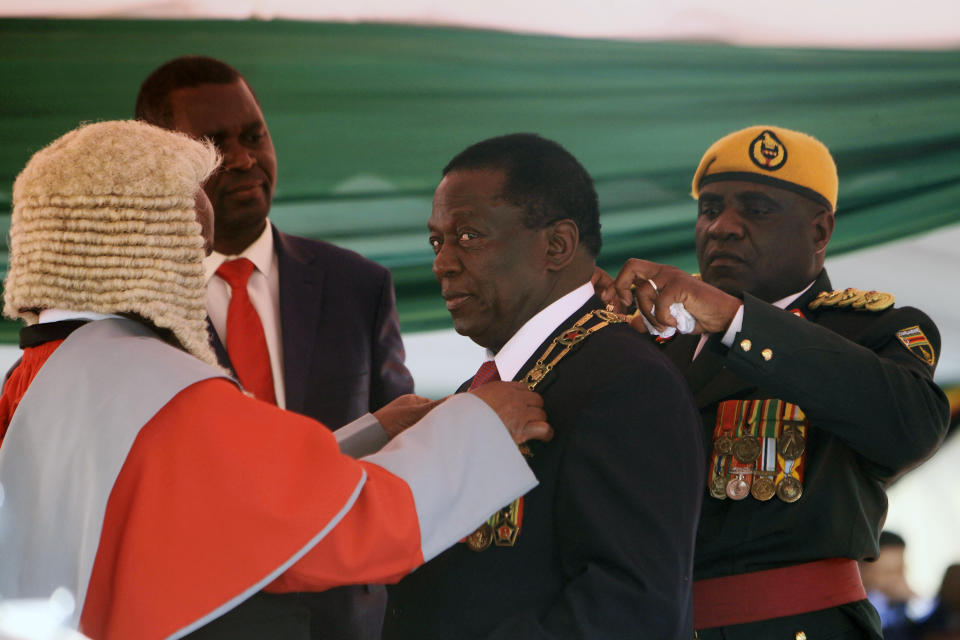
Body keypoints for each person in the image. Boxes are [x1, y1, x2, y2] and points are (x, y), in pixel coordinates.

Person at [0, 120, 551, 640]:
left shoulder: (36, 379)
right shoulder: (156, 386)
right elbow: (344, 528)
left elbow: (220, 502)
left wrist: (373, 432)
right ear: (143, 252)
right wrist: (482, 427)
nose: (199, 272)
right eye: (192, 251)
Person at [599, 125, 951, 639]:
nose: (722, 226)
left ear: (820, 231)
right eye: (710, 208)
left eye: (756, 209)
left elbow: (912, 427)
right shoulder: (651, 345)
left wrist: (737, 319)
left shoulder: (874, 331)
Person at [134, 55, 415, 638]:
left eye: (254, 135)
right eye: (214, 144)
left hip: (345, 613)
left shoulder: (357, 286)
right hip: (201, 613)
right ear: (161, 163)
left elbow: (402, 451)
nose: (243, 159)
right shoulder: (135, 310)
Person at [383, 133, 704, 639]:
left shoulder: (624, 379)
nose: (442, 262)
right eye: (436, 240)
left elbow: (630, 607)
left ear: (556, 245)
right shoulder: (485, 386)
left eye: (468, 236)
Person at [861, 531, 922, 640]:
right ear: (862, 572)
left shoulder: (906, 608)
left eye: (900, 570)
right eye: (887, 572)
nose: (896, 579)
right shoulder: (860, 613)